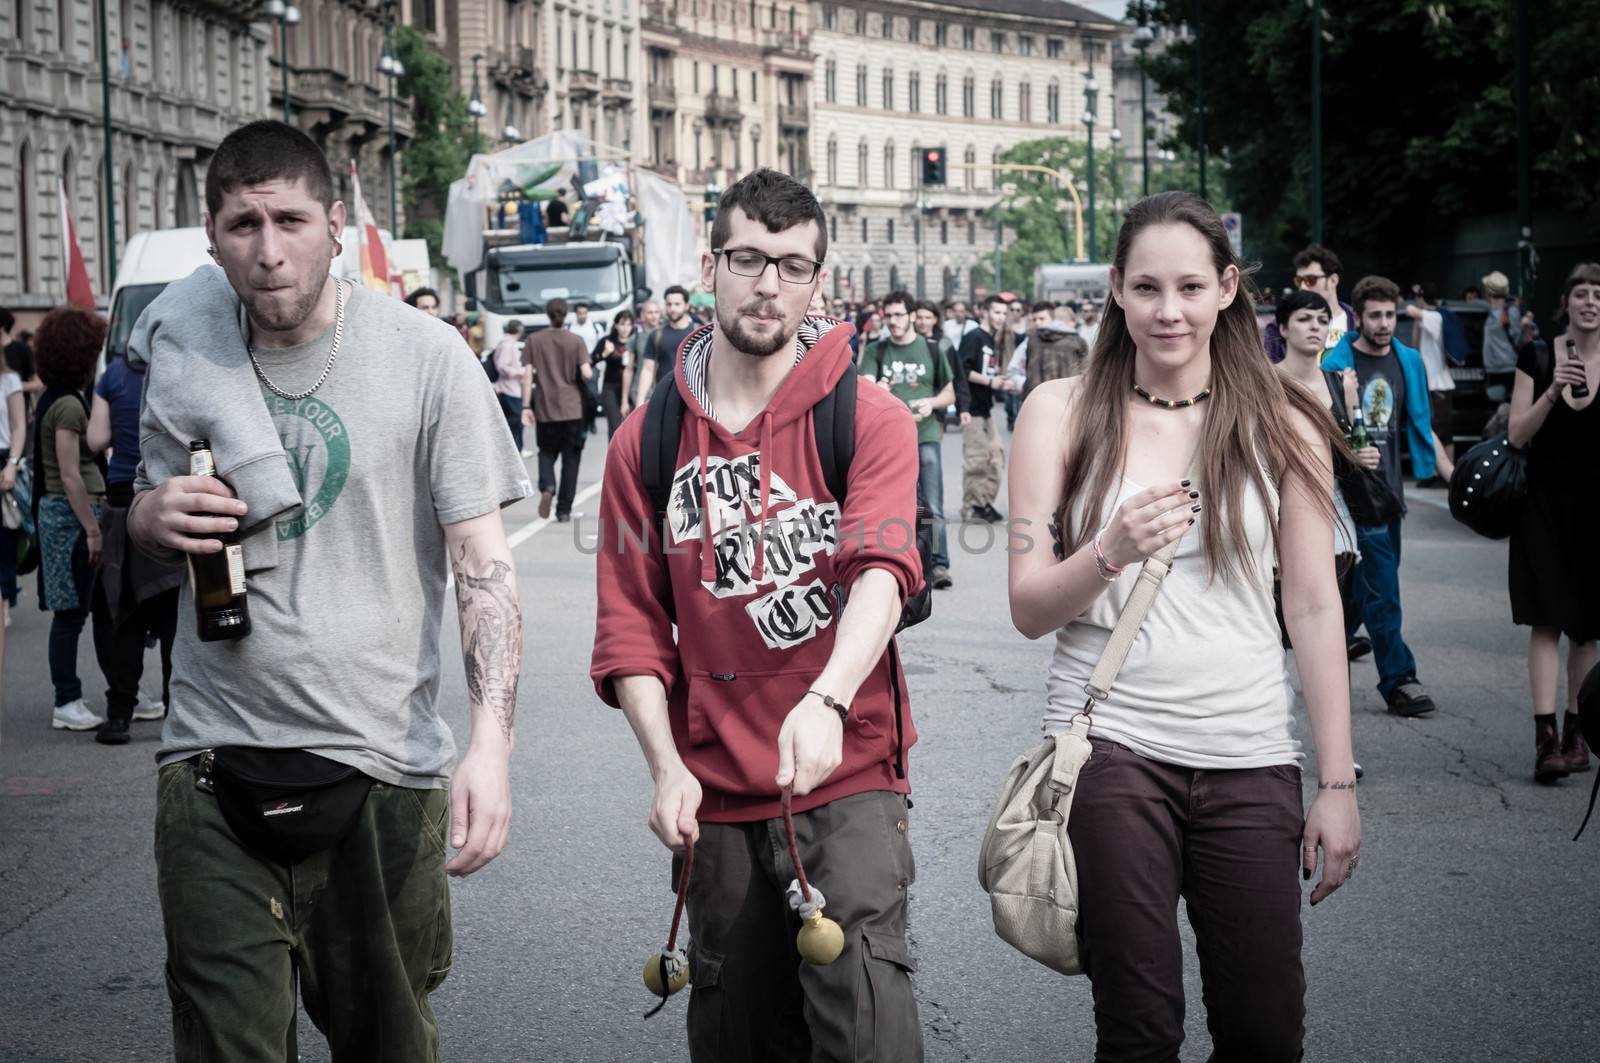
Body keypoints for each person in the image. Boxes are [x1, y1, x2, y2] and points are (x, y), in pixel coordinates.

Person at [126, 119, 528, 1059]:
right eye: (243, 224)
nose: (268, 252)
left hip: (383, 768)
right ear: (212, 232)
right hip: (213, 757)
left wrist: (492, 747)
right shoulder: (184, 353)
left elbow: (483, 563)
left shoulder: (428, 355)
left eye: (292, 220)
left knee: (387, 1043)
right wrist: (148, 518)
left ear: (337, 224)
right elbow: (143, 521)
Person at [1007, 191, 1360, 1062]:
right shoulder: (1057, 411)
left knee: (1265, 1031)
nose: (1170, 310)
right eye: (1148, 287)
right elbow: (1026, 606)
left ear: (1229, 288)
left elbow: (1313, 606)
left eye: (1192, 287)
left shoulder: (1285, 421)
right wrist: (1109, 549)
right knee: (1139, 1030)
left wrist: (1340, 784)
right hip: (1110, 750)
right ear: (1117, 291)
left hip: (1249, 752)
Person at [591, 167, 924, 1062]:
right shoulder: (645, 439)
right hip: (717, 793)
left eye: (791, 265)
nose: (767, 284)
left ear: (820, 280)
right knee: (739, 1039)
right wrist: (665, 767)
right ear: (712, 263)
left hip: (847, 769)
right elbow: (629, 627)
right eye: (748, 259)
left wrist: (826, 699)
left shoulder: (870, 416)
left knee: (869, 1036)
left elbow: (883, 571)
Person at [1322, 276, 1438, 716]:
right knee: (1384, 589)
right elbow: (1321, 432)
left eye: (1390, 314)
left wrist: (1447, 469)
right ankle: (1399, 679)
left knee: (1362, 591)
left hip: (1390, 497)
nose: (1385, 323)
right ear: (1359, 317)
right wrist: (1350, 447)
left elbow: (1421, 422)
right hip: (1355, 500)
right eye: (1375, 315)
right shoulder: (1337, 365)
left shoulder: (1407, 361)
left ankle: (1316, 642)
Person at [1506, 262, 1600, 782]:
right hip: (1542, 506)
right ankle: (1545, 741)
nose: (1590, 301)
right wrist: (1550, 390)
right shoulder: (1539, 354)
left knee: (1586, 630)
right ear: (1566, 303)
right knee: (1545, 620)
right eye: (1581, 293)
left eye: (1598, 294)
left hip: (1594, 512)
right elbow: (1517, 435)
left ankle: (1577, 735)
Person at [84, 347, 183, 744]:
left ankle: (119, 716)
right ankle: (179, 716)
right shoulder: (178, 369)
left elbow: (96, 439)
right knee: (175, 619)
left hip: (123, 504)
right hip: (170, 497)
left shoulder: (112, 375)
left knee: (125, 615)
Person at [32, 307, 111, 733]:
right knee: (71, 614)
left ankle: (104, 692)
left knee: (88, 609)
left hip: (69, 513)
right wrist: (92, 528)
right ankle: (66, 699)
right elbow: (67, 474)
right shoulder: (66, 404)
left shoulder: (58, 398)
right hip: (70, 515)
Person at [861, 290, 956, 589]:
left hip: (925, 434)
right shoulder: (876, 350)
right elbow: (863, 389)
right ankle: (896, 564)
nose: (892, 321)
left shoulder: (930, 348)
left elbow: (950, 392)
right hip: (887, 440)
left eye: (899, 315)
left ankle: (939, 565)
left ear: (913, 316)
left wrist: (932, 403)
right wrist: (879, 389)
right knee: (890, 505)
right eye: (888, 316)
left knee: (932, 504)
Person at [522, 297, 594, 522]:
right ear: (567, 314)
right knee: (571, 459)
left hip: (545, 408)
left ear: (547, 314)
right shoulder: (576, 340)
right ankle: (564, 510)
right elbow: (587, 373)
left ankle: (547, 486)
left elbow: (527, 376)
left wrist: (526, 405)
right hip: (573, 408)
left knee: (546, 452)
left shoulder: (534, 340)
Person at [957, 295, 1017, 523]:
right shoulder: (974, 337)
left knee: (996, 457)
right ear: (984, 311)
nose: (1000, 317)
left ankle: (983, 502)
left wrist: (999, 380)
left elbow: (985, 372)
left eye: (1004, 313)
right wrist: (991, 382)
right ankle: (972, 506)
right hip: (971, 407)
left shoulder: (991, 339)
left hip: (985, 407)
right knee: (976, 459)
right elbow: (961, 370)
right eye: (996, 312)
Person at [1265, 245, 1356, 363]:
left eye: (1311, 280)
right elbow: (1270, 373)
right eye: (1299, 280)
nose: (1303, 286)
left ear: (1333, 280)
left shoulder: (1358, 322)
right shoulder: (1278, 325)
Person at [1402, 282, 1456, 481]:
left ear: (1423, 299)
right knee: (1434, 429)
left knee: (1443, 432)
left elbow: (1410, 310)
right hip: (1433, 384)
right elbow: (1416, 342)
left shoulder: (1435, 317)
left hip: (1439, 384)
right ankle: (1435, 472)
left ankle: (1448, 475)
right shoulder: (1430, 318)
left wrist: (1417, 297)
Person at [1006, 300, 1090, 400]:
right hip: (1065, 399)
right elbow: (1085, 375)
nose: (1037, 323)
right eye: (1034, 319)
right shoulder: (1077, 341)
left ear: (1053, 319)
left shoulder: (1032, 340)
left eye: (1041, 319)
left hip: (1035, 399)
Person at [0, 307, 25, 624]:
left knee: (4, 535)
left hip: (4, 457)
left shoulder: (9, 380)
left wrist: (13, 464)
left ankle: (5, 597)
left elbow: (19, 425)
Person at [632, 285, 696, 399]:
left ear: (686, 306)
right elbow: (647, 369)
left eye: (677, 304)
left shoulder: (698, 333)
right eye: (669, 304)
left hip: (694, 397)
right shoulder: (656, 335)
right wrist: (640, 400)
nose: (672, 308)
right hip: (665, 397)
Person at [1481, 270, 1524, 403]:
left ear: (1488, 292)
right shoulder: (1491, 311)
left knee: (1507, 409)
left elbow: (1518, 338)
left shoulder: (1510, 311)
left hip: (1508, 369)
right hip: (1493, 369)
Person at [592, 309, 636, 438]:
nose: (625, 328)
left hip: (631, 388)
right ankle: (614, 455)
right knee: (615, 425)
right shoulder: (608, 341)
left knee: (632, 426)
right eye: (622, 324)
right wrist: (604, 354)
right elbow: (591, 361)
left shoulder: (635, 341)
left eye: (628, 324)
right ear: (616, 325)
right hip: (610, 387)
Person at [491, 319, 529, 453]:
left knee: (513, 420)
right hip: (510, 388)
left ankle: (516, 449)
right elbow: (502, 366)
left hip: (510, 387)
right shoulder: (508, 345)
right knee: (515, 421)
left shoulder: (506, 343)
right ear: (519, 331)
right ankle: (516, 450)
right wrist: (520, 372)